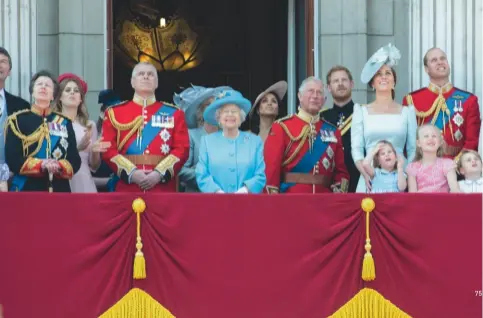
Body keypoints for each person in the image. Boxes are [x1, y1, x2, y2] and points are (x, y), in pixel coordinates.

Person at [101, 62, 189, 192]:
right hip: (127, 186)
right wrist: (132, 173)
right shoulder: (114, 112)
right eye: (141, 74)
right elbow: (107, 149)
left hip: (162, 187)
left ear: (157, 83)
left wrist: (158, 174)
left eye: (150, 74)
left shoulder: (175, 113)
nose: (146, 77)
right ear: (132, 82)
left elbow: (182, 149)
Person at [264, 77, 349, 194]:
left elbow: (341, 171)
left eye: (319, 92)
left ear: (324, 100)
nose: (315, 96)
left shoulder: (333, 131)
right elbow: (271, 169)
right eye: (310, 91)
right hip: (292, 200)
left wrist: (339, 190)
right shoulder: (281, 127)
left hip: (324, 201)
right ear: (299, 96)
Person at [352, 43, 417, 193]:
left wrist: (405, 174)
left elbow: (413, 149)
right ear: (372, 83)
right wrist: (365, 172)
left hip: (400, 178)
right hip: (369, 176)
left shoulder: (407, 112)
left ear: (394, 81)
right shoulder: (360, 111)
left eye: (388, 73)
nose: (383, 77)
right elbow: (356, 149)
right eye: (378, 74)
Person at [4, 70, 81, 192]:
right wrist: (41, 165)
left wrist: (59, 166)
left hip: (59, 189)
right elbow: (12, 158)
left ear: (53, 95)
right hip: (28, 189)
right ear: (32, 92)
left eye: (48, 85)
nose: (43, 87)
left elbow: (75, 160)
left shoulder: (64, 122)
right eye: (39, 84)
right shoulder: (17, 121)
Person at [403, 47, 481, 161]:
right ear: (426, 69)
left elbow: (472, 142)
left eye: (443, 58)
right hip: (423, 170)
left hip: (457, 169)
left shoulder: (469, 100)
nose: (440, 62)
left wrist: (455, 166)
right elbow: (408, 143)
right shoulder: (412, 100)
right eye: (434, 60)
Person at [195, 89, 266, 193]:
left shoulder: (255, 142)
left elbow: (260, 175)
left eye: (234, 111)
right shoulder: (207, 141)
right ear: (218, 117)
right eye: (225, 111)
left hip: (248, 202)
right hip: (215, 202)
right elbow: (201, 174)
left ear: (241, 116)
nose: (230, 115)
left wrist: (245, 190)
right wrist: (217, 191)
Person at [54, 73, 110, 193]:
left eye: (76, 91)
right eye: (67, 90)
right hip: (60, 180)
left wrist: (95, 152)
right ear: (60, 97)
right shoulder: (52, 124)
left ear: (80, 99)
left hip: (84, 181)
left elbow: (94, 166)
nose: (72, 93)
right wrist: (78, 149)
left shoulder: (89, 126)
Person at [174, 85, 229, 192]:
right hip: (196, 198)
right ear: (201, 112)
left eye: (216, 105)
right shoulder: (191, 135)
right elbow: (181, 170)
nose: (213, 108)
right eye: (208, 104)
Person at [321, 65, 359, 192]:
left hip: (358, 179)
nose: (340, 84)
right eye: (335, 81)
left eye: (344, 80)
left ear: (352, 84)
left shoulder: (362, 113)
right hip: (328, 182)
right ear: (329, 87)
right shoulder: (322, 117)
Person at [406, 124, 459, 193]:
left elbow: (454, 188)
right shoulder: (412, 167)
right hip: (421, 202)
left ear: (440, 142)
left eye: (434, 136)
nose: (430, 138)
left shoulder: (447, 164)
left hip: (442, 202)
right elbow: (412, 195)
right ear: (418, 143)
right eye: (426, 136)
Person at [0, 47, 30, 167]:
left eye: (3, 62)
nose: (0, 65)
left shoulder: (22, 106)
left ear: (9, 71)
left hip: (12, 176)